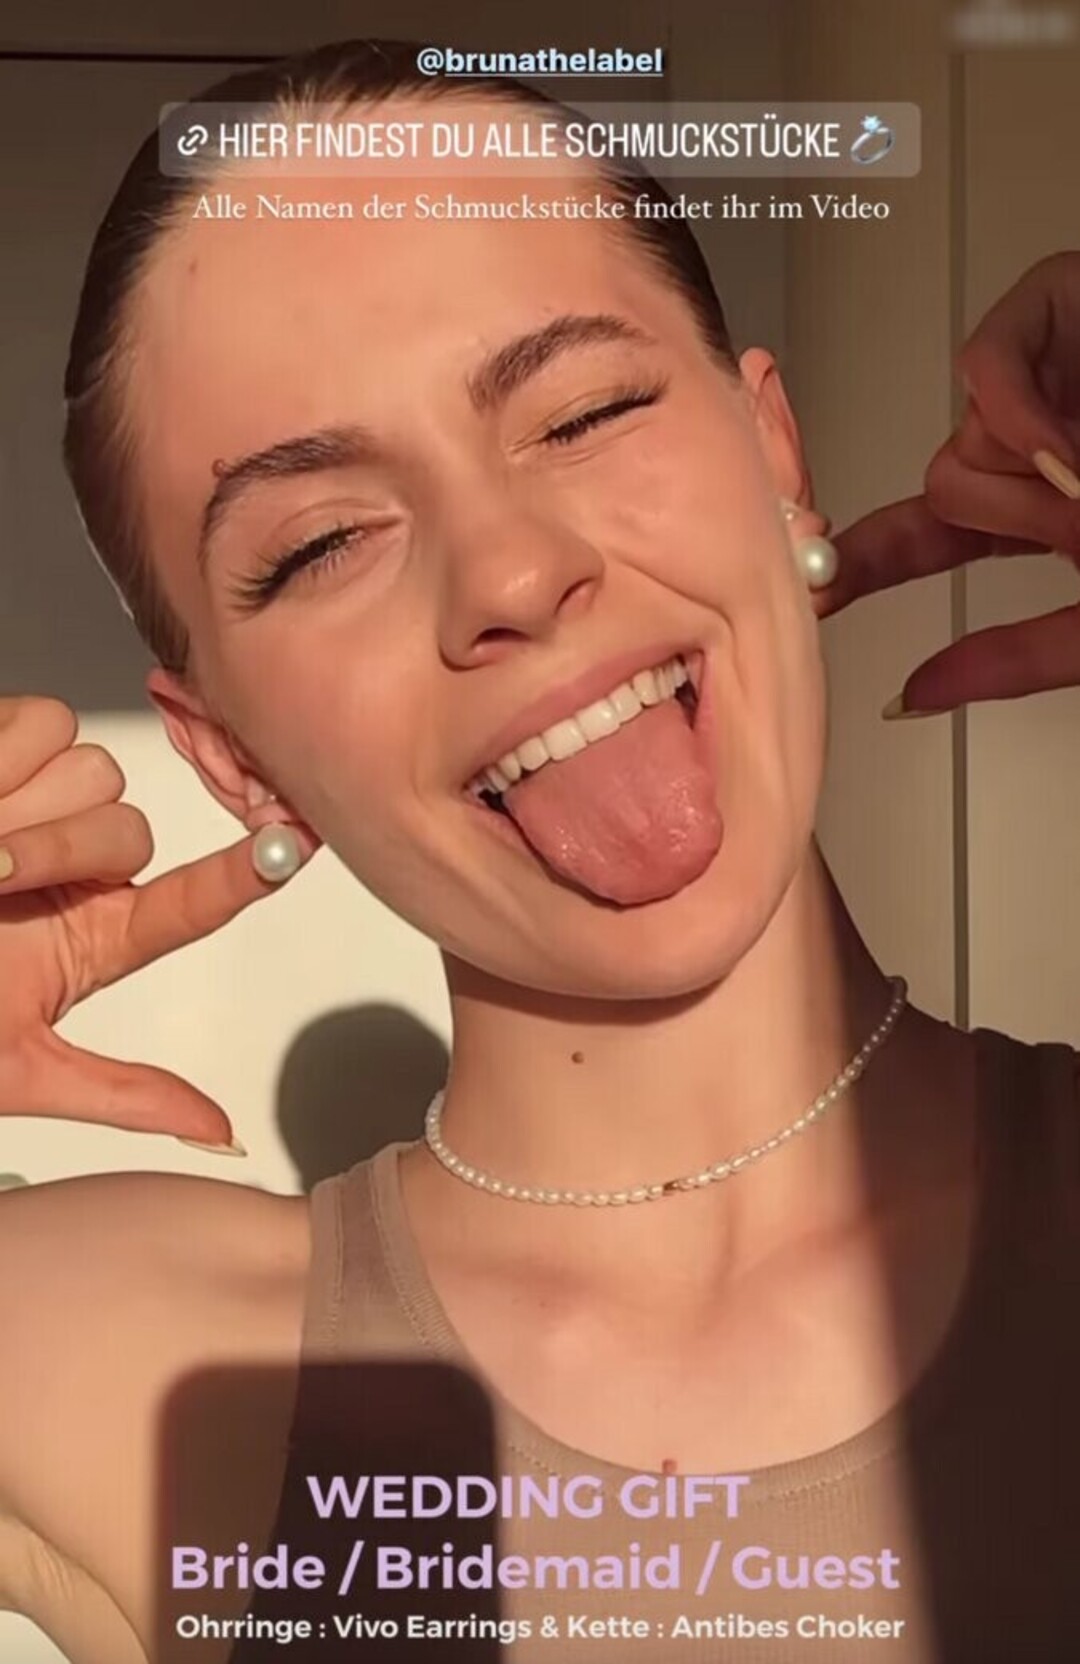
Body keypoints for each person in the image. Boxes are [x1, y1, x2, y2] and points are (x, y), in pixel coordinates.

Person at [1, 38, 1079, 1664]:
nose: (507, 570)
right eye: (324, 542)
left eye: (586, 411)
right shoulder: (107, 1357)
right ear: (233, 756)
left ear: (775, 460)